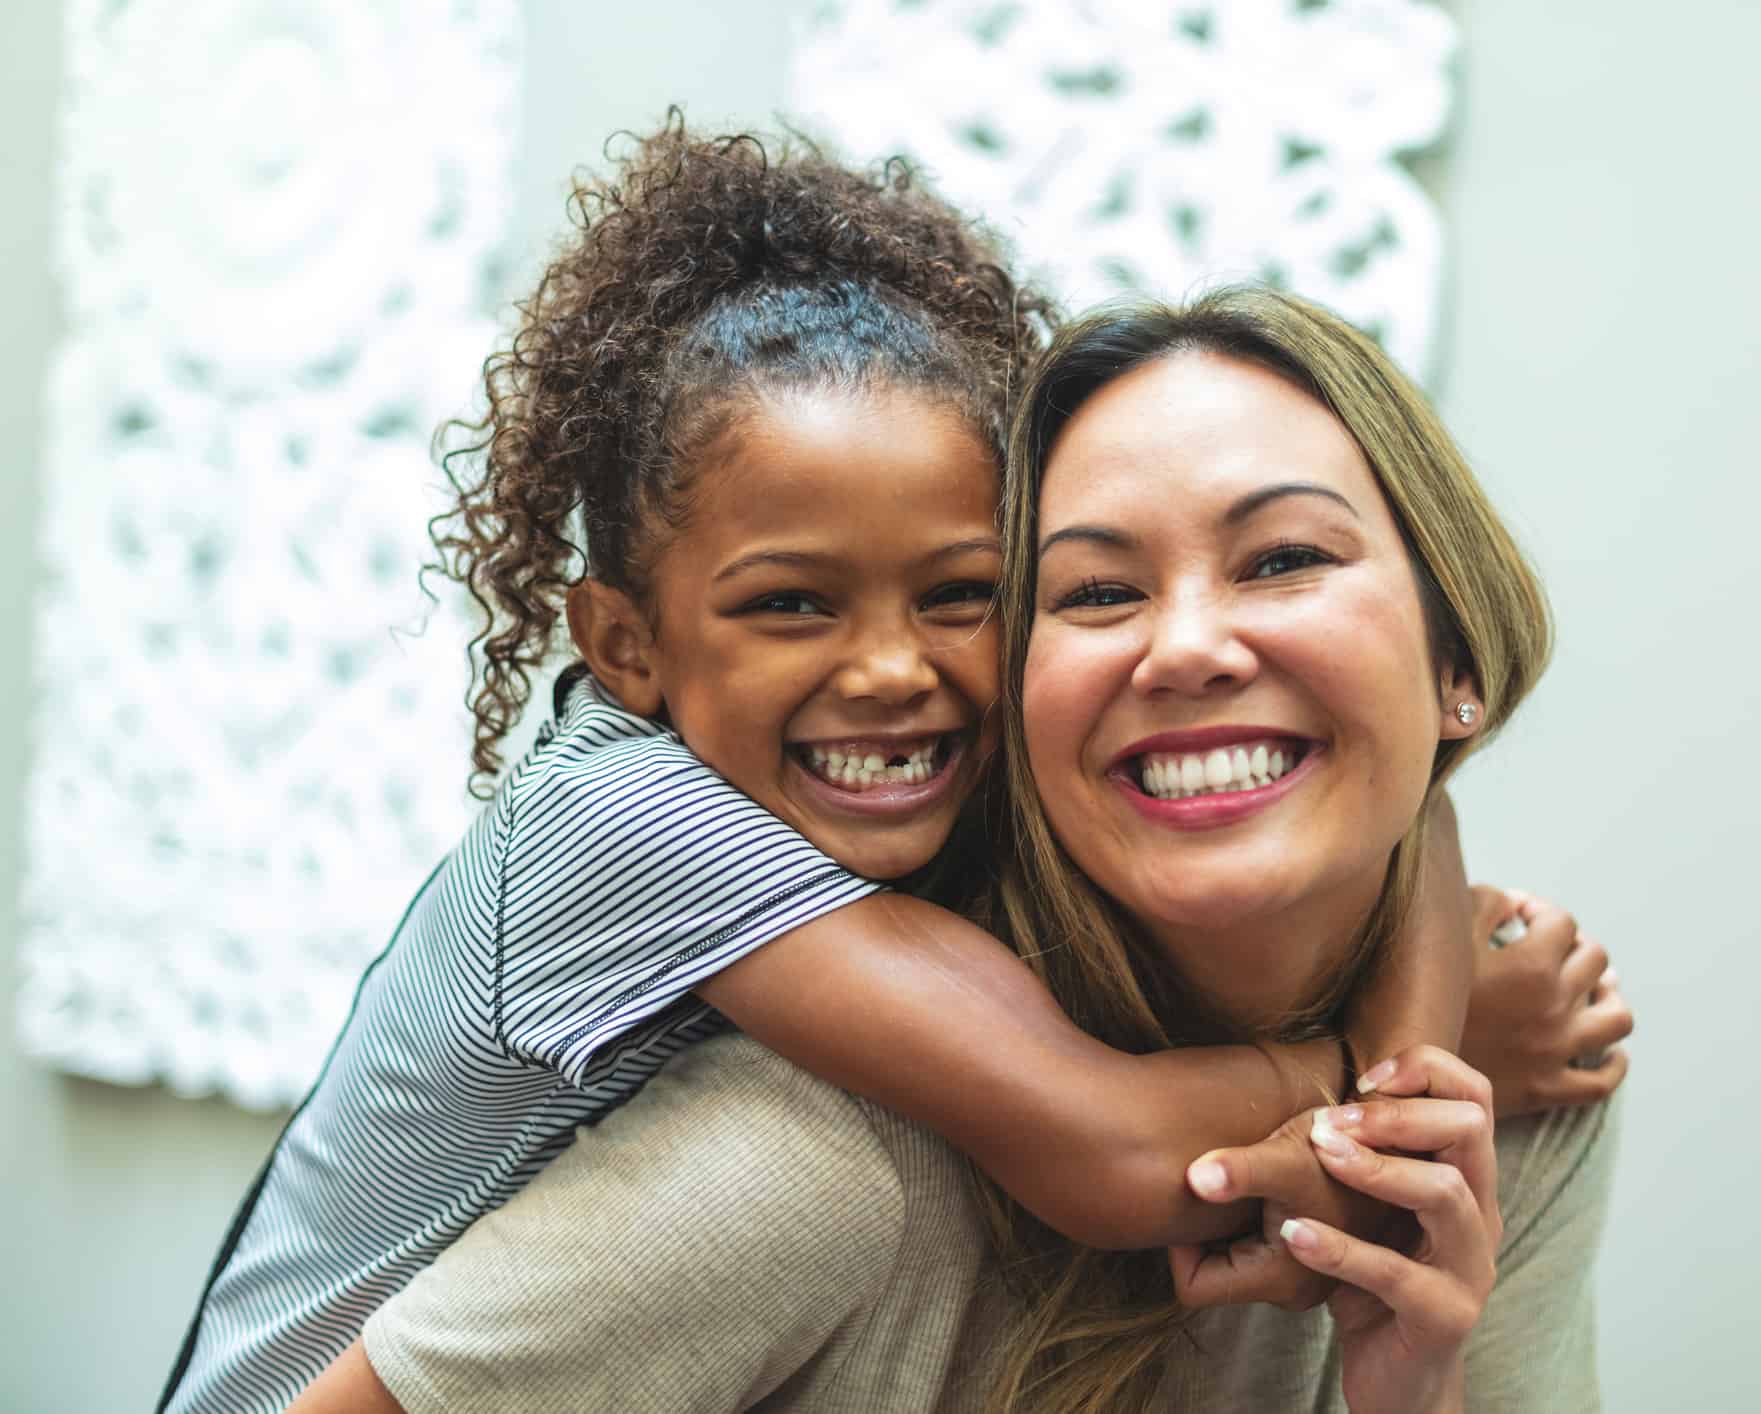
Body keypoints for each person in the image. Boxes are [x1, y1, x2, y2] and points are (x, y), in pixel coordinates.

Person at [163, 119, 1620, 1414]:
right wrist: (1407, 1078)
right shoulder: (628, 825)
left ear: (1455, 664)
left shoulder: (920, 779)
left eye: (962, 593)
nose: (890, 669)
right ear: (623, 646)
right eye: (790, 601)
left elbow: (1410, 808)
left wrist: (1418, 1061)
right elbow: (1101, 1139)